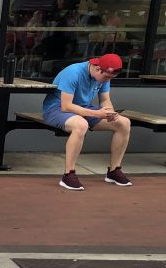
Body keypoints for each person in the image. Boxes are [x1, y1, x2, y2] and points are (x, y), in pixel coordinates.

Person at [41, 53, 131, 191]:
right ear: (97, 68)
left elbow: (105, 100)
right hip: (57, 108)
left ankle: (114, 171)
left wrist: (110, 113)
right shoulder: (73, 72)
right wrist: (97, 113)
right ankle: (68, 175)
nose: (106, 80)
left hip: (84, 108)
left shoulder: (105, 76)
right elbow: (66, 106)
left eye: (110, 78)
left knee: (123, 123)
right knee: (81, 124)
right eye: (106, 77)